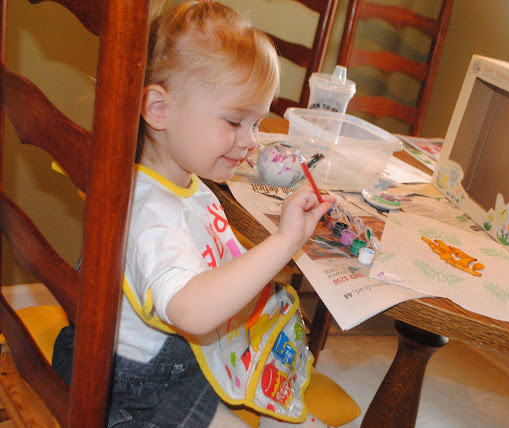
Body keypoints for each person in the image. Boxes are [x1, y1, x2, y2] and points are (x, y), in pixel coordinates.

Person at [53, 1, 344, 426]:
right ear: (159, 110)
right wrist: (285, 241)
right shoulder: (150, 215)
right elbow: (192, 312)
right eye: (235, 121)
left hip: (160, 364)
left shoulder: (170, 179)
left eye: (257, 124)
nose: (252, 142)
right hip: (138, 395)